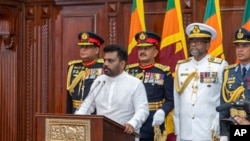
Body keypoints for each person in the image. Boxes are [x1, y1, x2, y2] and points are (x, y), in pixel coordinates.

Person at [75, 44, 149, 139]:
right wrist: (76, 120)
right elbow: (87, 106)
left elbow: (142, 110)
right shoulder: (99, 81)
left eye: (111, 61)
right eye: (105, 60)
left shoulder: (135, 83)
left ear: (122, 64)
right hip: (100, 135)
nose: (106, 64)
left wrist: (132, 123)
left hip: (125, 135)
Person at [173, 23, 228, 141]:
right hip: (186, 131)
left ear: (207, 44)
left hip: (209, 130)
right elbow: (177, 100)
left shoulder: (219, 65)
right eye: (191, 41)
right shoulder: (181, 66)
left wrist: (219, 122)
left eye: (198, 41)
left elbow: (225, 99)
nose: (193, 44)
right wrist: (178, 130)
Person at [125, 31, 174, 141]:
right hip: (131, 118)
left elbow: (171, 99)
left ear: (155, 52)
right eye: (140, 48)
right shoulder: (128, 71)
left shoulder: (163, 72)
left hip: (152, 120)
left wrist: (162, 111)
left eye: (146, 48)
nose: (142, 51)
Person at [219, 27, 250, 141]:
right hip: (234, 127)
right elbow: (223, 106)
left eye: (245, 46)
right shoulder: (229, 72)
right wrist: (224, 133)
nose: (240, 50)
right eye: (238, 46)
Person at [66, 31, 104, 113]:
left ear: (97, 50)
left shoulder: (103, 67)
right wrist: (68, 115)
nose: (83, 49)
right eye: (81, 47)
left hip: (95, 112)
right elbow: (69, 95)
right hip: (75, 110)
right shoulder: (73, 66)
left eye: (87, 47)